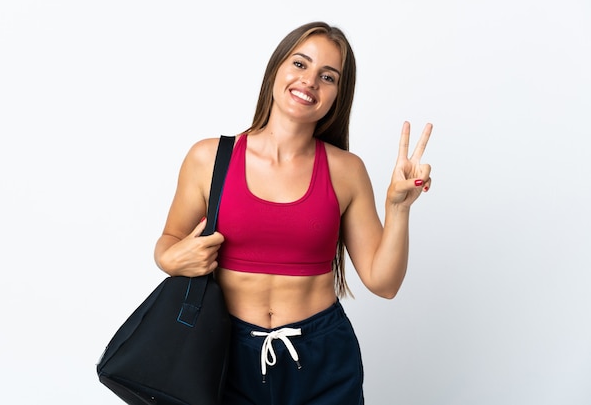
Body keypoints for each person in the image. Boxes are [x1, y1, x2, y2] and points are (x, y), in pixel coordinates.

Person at [154, 21, 432, 405]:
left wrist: (397, 209)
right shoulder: (208, 158)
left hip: (322, 356)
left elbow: (384, 284)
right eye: (300, 64)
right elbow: (168, 244)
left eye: (328, 76)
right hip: (225, 355)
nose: (310, 81)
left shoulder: (346, 170)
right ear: (276, 69)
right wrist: (171, 257)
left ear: (338, 94)